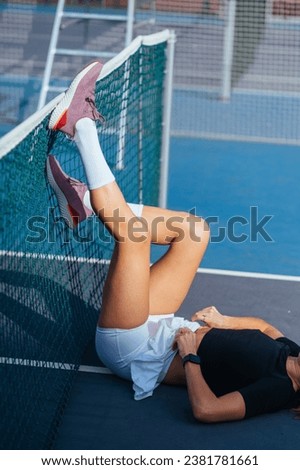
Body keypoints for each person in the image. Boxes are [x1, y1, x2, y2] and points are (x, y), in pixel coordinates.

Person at [47, 61, 300, 422]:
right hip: (161, 322)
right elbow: (266, 329)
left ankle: (79, 126)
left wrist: (191, 354)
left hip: (135, 349)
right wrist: (225, 320)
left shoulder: (279, 388)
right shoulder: (292, 353)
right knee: (195, 232)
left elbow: (208, 410)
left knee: (133, 236)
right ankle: (84, 204)